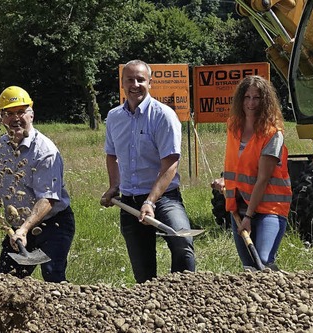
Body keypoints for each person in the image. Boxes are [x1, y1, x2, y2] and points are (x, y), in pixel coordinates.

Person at [100, 60, 195, 283]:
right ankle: (149, 308)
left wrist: (151, 202)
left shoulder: (163, 116)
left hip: (163, 198)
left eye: (141, 80)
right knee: (143, 272)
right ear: (122, 84)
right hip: (130, 201)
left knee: (183, 244)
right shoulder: (114, 117)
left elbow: (170, 162)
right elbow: (111, 155)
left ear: (150, 82)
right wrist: (114, 186)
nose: (135, 84)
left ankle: (184, 295)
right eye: (130, 80)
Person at [0, 86, 75, 282]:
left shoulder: (45, 151)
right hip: (19, 226)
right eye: (9, 113)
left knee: (53, 278)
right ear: (1, 118)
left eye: (21, 112)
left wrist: (24, 230)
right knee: (6, 279)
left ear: (31, 114)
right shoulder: (2, 144)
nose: (15, 118)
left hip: (54, 224)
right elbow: (1, 177)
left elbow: (48, 198)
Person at [210, 76, 292, 270]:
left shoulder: (272, 133)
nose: (251, 103)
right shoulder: (233, 126)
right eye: (247, 97)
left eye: (256, 98)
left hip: (269, 207)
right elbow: (238, 167)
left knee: (262, 261)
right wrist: (225, 181)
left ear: (265, 101)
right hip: (238, 204)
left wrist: (248, 216)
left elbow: (263, 178)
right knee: (249, 267)